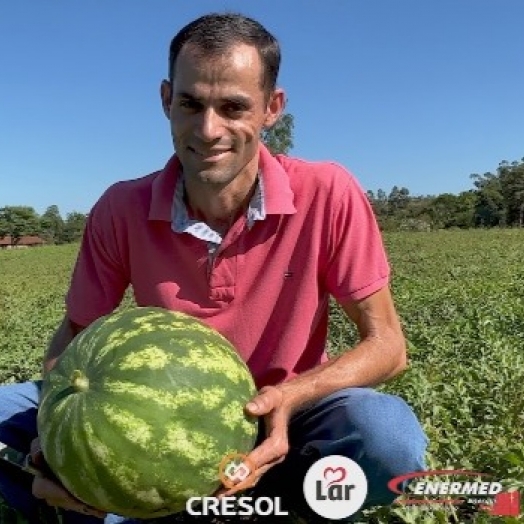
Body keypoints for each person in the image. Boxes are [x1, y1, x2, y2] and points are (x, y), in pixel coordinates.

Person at [0, 12, 428, 524]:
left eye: (233, 107)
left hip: (287, 412)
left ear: (272, 108)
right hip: (156, 417)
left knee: (387, 438)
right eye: (191, 103)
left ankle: (273, 504)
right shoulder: (121, 207)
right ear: (166, 100)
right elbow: (75, 331)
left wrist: (290, 396)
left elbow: (388, 345)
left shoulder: (327, 192)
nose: (208, 129)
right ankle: (94, 500)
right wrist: (56, 440)